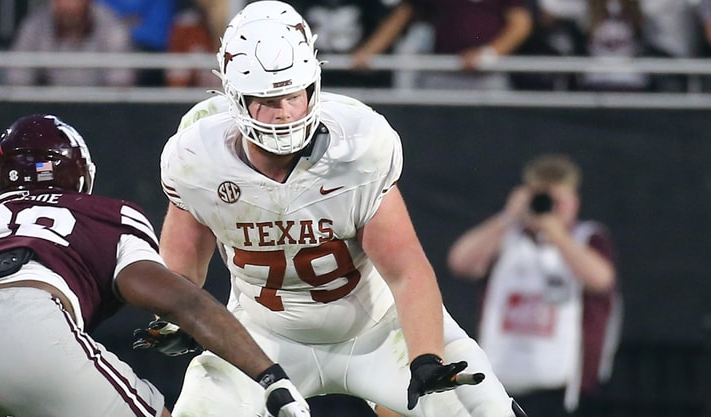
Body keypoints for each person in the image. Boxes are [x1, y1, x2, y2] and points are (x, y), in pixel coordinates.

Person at [142, 2, 525, 416]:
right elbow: (182, 271)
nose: (284, 112)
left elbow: (406, 269)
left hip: (379, 331)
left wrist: (426, 356)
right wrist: (176, 316)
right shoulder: (198, 157)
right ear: (236, 98)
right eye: (267, 99)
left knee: (487, 411)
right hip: (261, 338)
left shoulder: (358, 145)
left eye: (293, 95)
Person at [0, 114, 309, 417]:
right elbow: (182, 301)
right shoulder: (103, 214)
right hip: (32, 325)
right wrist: (269, 375)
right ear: (81, 174)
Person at [446, 154, 622, 417]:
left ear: (574, 201)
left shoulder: (586, 238)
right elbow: (460, 262)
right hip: (501, 384)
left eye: (557, 200)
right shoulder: (507, 238)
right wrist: (508, 217)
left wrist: (556, 233)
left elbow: (601, 279)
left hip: (563, 391)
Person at [351, 0, 533, 90]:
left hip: (487, 77)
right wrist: (370, 51)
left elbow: (520, 24)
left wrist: (488, 54)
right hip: (442, 72)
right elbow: (403, 14)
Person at [4, 0, 136, 86]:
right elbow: (17, 80)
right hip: (48, 111)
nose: (68, 6)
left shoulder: (113, 29)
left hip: (102, 113)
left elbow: (119, 84)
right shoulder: (34, 26)